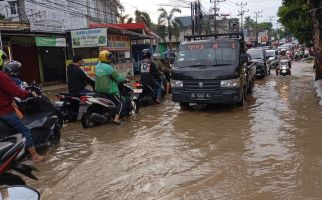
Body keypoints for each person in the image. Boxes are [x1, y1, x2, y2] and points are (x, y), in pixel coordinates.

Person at [0, 70, 44, 163]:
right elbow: (14, 90)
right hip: (4, 111)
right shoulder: (2, 76)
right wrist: (29, 93)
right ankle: (35, 156)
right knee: (25, 131)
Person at [95, 50, 127, 125]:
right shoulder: (109, 68)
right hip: (109, 92)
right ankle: (116, 119)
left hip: (98, 91)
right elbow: (118, 78)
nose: (110, 58)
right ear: (107, 58)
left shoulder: (96, 66)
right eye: (109, 56)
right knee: (121, 102)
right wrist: (125, 79)